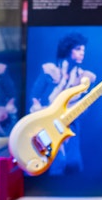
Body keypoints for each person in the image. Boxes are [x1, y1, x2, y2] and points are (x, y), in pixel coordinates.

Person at [29, 31, 96, 175]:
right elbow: (35, 96)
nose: (82, 53)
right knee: (55, 162)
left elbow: (85, 108)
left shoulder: (83, 77)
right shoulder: (50, 71)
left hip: (69, 125)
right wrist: (42, 115)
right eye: (78, 49)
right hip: (45, 124)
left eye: (83, 50)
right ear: (68, 49)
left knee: (73, 164)